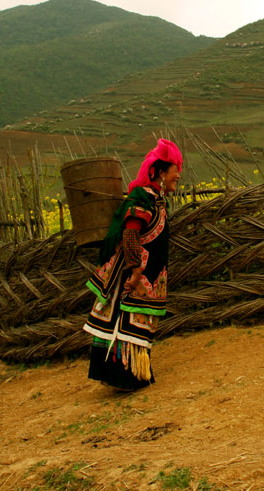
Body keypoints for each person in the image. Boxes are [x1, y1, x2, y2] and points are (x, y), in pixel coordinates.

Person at [84, 138, 182, 391]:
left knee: (136, 321)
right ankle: (123, 375)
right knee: (124, 318)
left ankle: (130, 375)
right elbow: (130, 232)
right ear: (161, 172)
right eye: (175, 171)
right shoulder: (144, 198)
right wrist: (136, 269)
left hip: (149, 277)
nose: (178, 176)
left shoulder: (157, 200)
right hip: (135, 276)